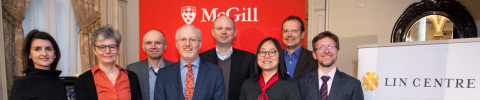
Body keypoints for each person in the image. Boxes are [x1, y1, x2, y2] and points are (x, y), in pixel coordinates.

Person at [154, 24, 225, 100]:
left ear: (200, 44)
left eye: (192, 40)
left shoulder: (215, 72)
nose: (187, 44)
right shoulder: (163, 75)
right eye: (183, 39)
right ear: (176, 44)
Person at [75, 25, 142, 100]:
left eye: (112, 46)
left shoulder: (132, 77)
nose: (107, 51)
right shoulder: (83, 80)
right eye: (102, 47)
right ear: (94, 50)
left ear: (118, 49)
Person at [199, 15, 255, 100]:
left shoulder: (248, 59)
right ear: (213, 32)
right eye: (219, 28)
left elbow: (252, 92)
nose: (224, 32)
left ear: (235, 32)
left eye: (228, 29)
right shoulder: (200, 59)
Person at [296, 31, 363, 100]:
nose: (326, 51)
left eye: (330, 46)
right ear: (314, 55)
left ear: (338, 52)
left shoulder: (353, 85)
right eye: (321, 47)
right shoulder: (301, 83)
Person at [11, 30, 67, 100]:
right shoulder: (21, 85)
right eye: (37, 49)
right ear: (29, 55)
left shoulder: (60, 83)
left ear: (55, 54)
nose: (44, 54)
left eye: (48, 49)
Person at [126, 29, 174, 100]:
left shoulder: (176, 69)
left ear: (165, 46)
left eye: (157, 43)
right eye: (148, 43)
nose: (153, 47)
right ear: (143, 47)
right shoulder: (132, 69)